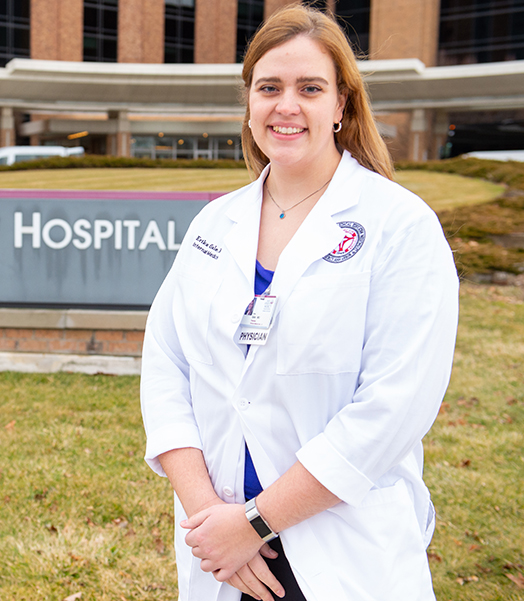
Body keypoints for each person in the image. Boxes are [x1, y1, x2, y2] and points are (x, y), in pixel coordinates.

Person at [140, 5, 458, 601]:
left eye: (310, 88)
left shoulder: (399, 226)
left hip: (341, 551)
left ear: (341, 105)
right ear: (250, 102)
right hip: (225, 558)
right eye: (269, 87)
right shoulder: (216, 222)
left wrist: (255, 522)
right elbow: (165, 366)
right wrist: (213, 520)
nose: (286, 105)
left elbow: (392, 409)